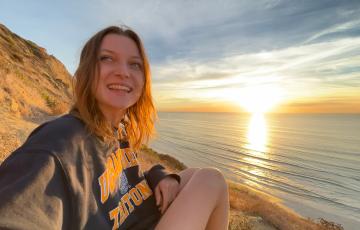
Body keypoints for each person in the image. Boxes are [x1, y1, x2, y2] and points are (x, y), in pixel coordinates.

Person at [0, 25, 229, 230]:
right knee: (210, 179)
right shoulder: (58, 142)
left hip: (145, 217)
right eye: (107, 58)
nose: (124, 72)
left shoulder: (116, 130)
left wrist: (161, 176)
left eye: (135, 64)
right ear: (88, 70)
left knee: (192, 175)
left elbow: (127, 182)